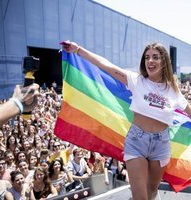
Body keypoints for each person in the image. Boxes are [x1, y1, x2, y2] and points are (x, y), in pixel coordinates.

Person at [61, 41, 191, 200]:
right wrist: (79, 50)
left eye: (155, 57)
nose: (150, 61)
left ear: (164, 61)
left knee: (152, 191)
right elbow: (106, 66)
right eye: (147, 57)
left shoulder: (173, 90)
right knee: (140, 197)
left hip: (161, 145)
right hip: (137, 142)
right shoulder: (136, 81)